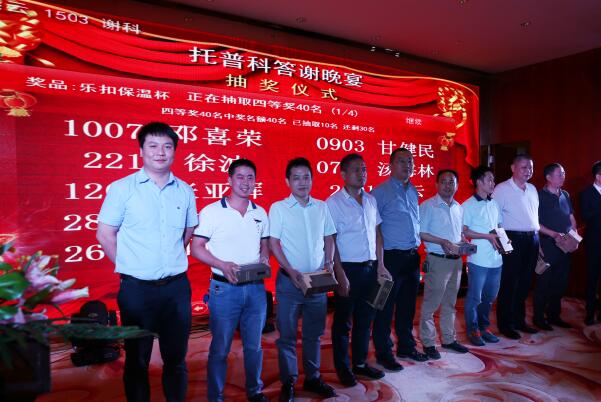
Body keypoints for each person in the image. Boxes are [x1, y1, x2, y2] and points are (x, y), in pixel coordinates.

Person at [96, 122, 198, 402]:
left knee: (176, 359)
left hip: (176, 289)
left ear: (174, 151)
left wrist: (169, 256)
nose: (160, 152)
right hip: (137, 291)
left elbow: (188, 231)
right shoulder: (122, 188)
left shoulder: (185, 190)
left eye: (167, 146)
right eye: (153, 146)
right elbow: (105, 234)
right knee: (137, 360)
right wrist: (130, 265)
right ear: (141, 150)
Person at [190, 159, 270, 402]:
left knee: (254, 346)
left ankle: (255, 391)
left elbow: (265, 242)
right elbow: (196, 247)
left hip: (256, 289)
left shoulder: (260, 212)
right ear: (229, 180)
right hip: (224, 289)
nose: (246, 182)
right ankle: (216, 396)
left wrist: (265, 255)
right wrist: (222, 264)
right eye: (240, 177)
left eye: (250, 177)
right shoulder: (212, 211)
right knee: (220, 348)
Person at [269, 157, 337, 401]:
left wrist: (329, 263)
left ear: (312, 179)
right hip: (289, 282)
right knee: (287, 335)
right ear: (287, 181)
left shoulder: (321, 207)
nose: (302, 182)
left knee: (313, 333)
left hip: (316, 281)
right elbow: (274, 243)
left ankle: (313, 378)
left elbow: (329, 237)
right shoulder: (278, 208)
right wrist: (290, 270)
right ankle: (288, 381)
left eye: (306, 177)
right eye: (296, 178)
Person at [326, 153, 391, 386]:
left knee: (365, 319)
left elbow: (378, 234)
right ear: (343, 174)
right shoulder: (333, 203)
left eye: (364, 169)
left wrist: (381, 264)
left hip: (371, 268)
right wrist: (339, 273)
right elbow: (331, 240)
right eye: (356, 169)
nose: (361, 173)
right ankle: (343, 368)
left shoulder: (371, 200)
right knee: (343, 323)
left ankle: (360, 364)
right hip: (348, 269)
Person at [371, 148, 427, 370]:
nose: (407, 165)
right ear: (391, 165)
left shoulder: (413, 190)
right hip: (390, 260)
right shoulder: (379, 193)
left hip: (411, 257)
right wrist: (379, 263)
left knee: (407, 307)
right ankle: (383, 353)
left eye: (410, 161)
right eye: (402, 161)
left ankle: (406, 346)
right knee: (383, 308)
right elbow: (374, 230)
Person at [418, 169, 469, 359]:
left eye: (451, 182)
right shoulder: (428, 206)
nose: (448, 185)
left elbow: (458, 234)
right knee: (431, 305)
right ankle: (428, 343)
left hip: (456, 261)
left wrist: (463, 241)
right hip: (438, 260)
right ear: (437, 184)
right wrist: (442, 241)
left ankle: (448, 339)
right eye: (444, 181)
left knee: (450, 304)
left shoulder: (458, 207)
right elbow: (421, 233)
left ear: (457, 185)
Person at [492, 154, 540, 339]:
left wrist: (538, 241)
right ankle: (506, 324)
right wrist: (504, 243)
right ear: (513, 168)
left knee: (525, 282)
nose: (528, 171)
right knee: (509, 282)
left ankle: (520, 320)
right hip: (512, 239)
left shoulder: (533, 189)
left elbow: (534, 218)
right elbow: (494, 218)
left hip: (532, 239)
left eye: (530, 167)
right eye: (524, 167)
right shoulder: (502, 189)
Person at [462, 166, 503, 346]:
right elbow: (464, 231)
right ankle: (473, 330)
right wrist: (487, 236)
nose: (493, 183)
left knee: (489, 297)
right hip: (478, 260)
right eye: (489, 179)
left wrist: (504, 241)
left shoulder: (494, 203)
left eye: (493, 180)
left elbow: (499, 227)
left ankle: (484, 327)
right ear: (478, 182)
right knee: (474, 298)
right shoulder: (468, 205)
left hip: (496, 259)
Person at [533, 163, 577, 330]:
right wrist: (552, 234)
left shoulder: (565, 194)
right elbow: (534, 223)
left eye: (564, 173)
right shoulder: (539, 196)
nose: (563, 177)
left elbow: (571, 217)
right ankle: (538, 317)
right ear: (548, 177)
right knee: (544, 283)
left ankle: (554, 315)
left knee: (560, 282)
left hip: (565, 246)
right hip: (547, 245)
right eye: (560, 174)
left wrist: (574, 237)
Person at [581, 160, 601, 326]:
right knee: (592, 278)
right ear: (598, 176)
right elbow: (585, 215)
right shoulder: (586, 193)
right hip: (594, 242)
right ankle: (589, 312)